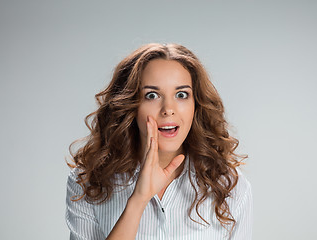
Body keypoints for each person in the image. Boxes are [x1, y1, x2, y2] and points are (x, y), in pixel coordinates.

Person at [66, 43, 253, 240]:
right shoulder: (86, 182)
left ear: (196, 105)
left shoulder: (231, 186)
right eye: (152, 95)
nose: (168, 109)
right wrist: (138, 200)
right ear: (130, 106)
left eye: (181, 95)